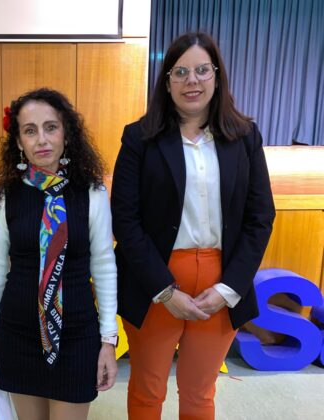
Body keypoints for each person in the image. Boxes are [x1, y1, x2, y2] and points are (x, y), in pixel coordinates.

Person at [111, 32, 276, 420]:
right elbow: (125, 219)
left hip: (221, 282)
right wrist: (164, 291)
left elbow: (260, 218)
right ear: (167, 80)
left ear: (217, 75)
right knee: (147, 389)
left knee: (200, 393)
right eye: (181, 72)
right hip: (155, 280)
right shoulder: (140, 138)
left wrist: (228, 288)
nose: (192, 81)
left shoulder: (244, 137)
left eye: (202, 70)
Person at [0, 88, 118, 420]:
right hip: (18, 332)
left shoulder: (92, 192)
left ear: (66, 133)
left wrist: (108, 340)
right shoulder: (5, 196)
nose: (41, 139)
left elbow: (104, 266)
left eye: (50, 127)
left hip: (76, 333)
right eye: (30, 130)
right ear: (18, 142)